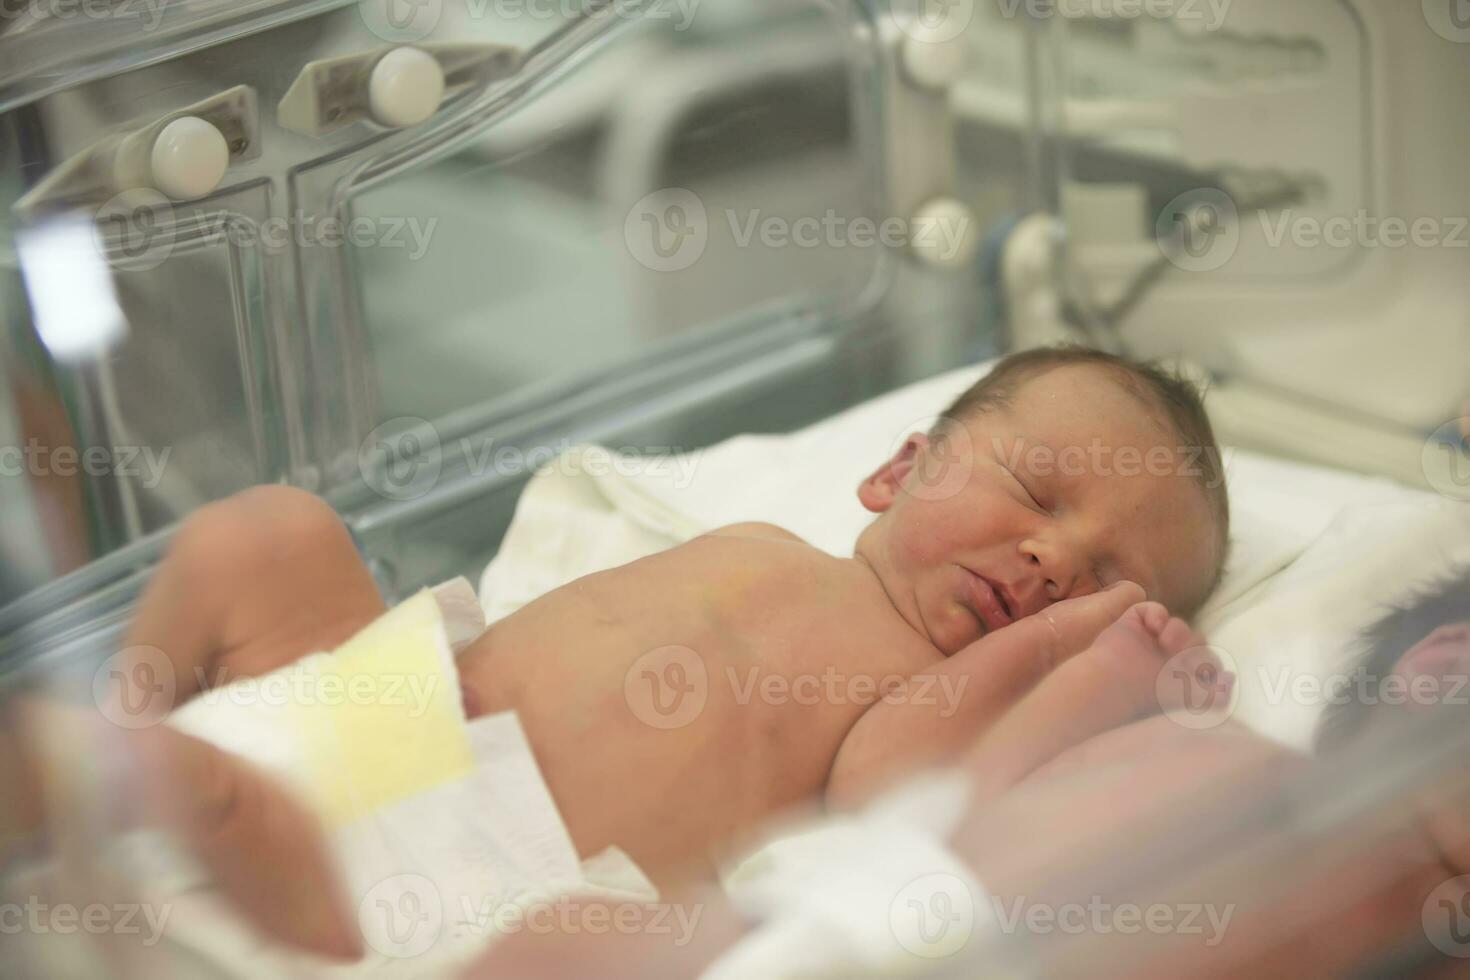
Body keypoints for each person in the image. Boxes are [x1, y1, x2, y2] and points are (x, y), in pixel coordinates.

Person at [3, 346, 1230, 961]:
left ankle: (105, 774)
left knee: (199, 791)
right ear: (897, 469)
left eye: (1110, 583)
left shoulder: (925, 687)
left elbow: (886, 797)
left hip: (453, 855)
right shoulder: (755, 531)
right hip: (382, 696)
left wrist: (1085, 657)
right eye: (1035, 490)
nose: (1054, 562)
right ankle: (125, 725)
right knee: (267, 535)